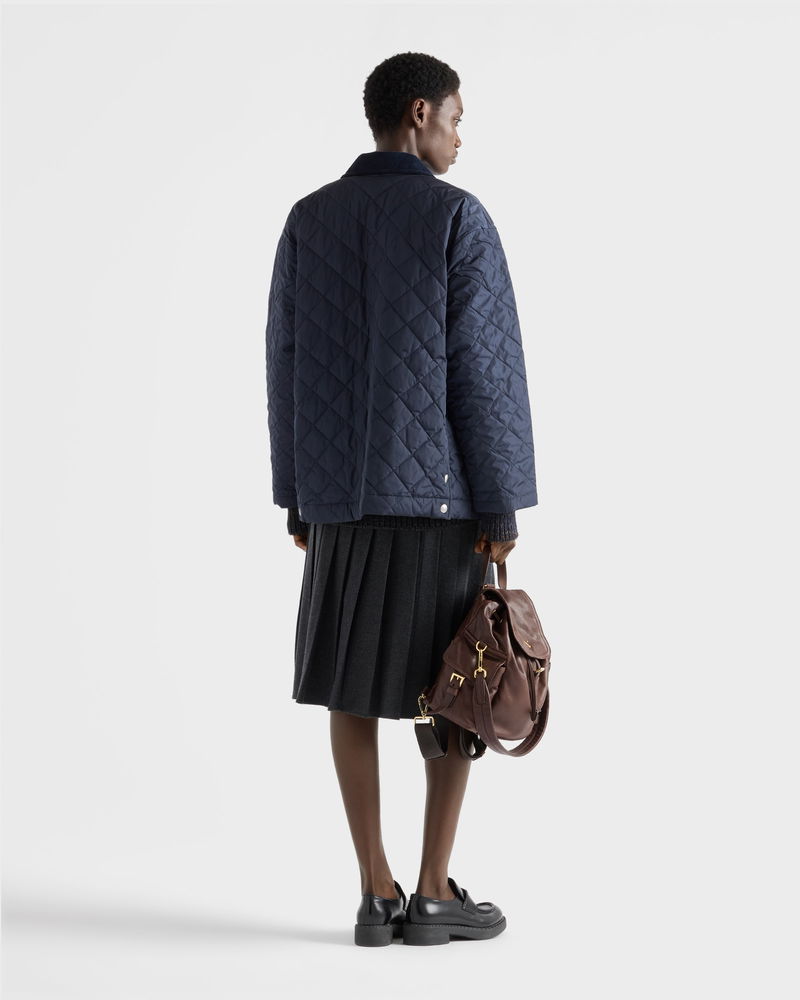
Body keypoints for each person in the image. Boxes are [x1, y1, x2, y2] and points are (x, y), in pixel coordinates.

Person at [264, 51, 538, 947]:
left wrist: (297, 497)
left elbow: (285, 366)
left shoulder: (308, 219)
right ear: (419, 114)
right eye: (456, 119)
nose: (460, 137)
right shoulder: (457, 218)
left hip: (340, 505)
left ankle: (374, 892)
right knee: (455, 687)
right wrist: (500, 506)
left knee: (349, 691)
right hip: (441, 507)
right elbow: (486, 376)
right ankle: (432, 891)